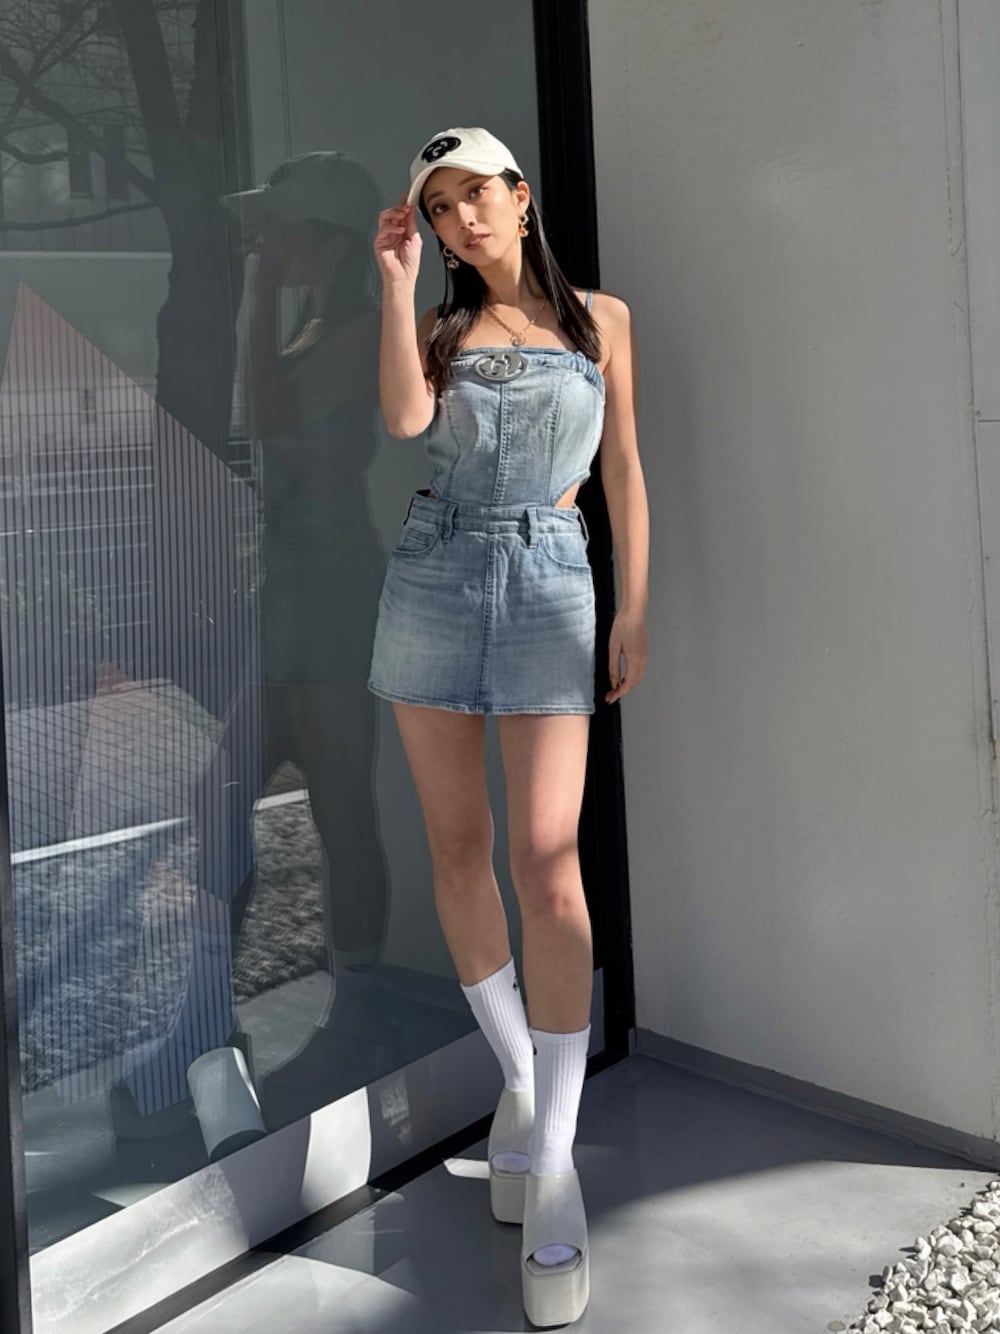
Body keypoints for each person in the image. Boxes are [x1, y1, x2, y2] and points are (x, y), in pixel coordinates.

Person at [368, 127, 649, 1326]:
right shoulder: (438, 329)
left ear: (520, 196)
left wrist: (632, 604)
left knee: (548, 863)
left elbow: (622, 468)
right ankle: (524, 1092)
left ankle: (555, 1157)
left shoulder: (602, 321)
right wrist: (393, 286)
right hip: (434, 574)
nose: (460, 219)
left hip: (549, 581)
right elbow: (400, 422)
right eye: (438, 208)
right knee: (458, 848)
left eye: (474, 193)